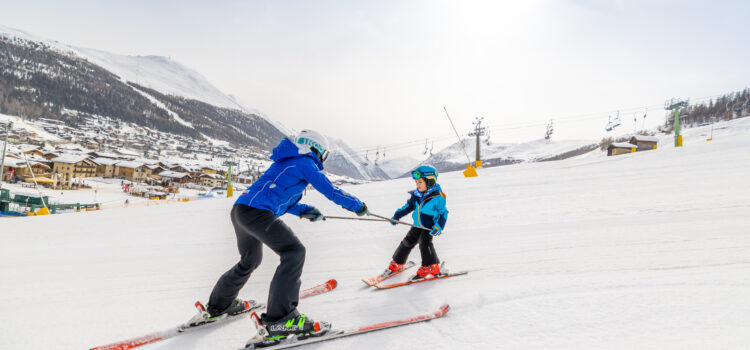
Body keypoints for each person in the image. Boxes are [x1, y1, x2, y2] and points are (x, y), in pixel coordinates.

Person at [204, 130, 369, 340]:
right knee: (294, 252)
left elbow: (279, 197)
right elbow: (331, 191)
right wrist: (358, 206)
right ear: (316, 149)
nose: (322, 160)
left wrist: (305, 210)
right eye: (323, 155)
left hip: (241, 211)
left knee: (250, 259)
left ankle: (219, 306)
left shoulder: (287, 161)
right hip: (257, 213)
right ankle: (281, 320)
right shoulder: (305, 163)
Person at [386, 165, 448, 279]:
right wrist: (397, 216)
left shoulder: (438, 197)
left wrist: (438, 227)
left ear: (429, 181)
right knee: (407, 242)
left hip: (428, 227)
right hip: (417, 225)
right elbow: (408, 206)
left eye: (420, 182)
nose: (417, 185)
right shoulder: (417, 195)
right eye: (416, 182)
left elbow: (443, 213)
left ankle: (431, 266)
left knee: (425, 244)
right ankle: (398, 262)